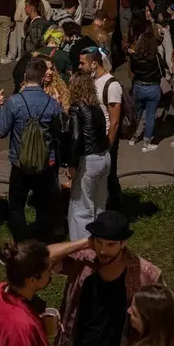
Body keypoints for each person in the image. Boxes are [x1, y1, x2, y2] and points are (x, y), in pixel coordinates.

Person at [56, 211, 162, 346]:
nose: (103, 250)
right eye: (99, 242)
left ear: (123, 243)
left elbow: (162, 321)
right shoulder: (85, 263)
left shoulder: (145, 274)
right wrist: (83, 244)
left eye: (111, 244)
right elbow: (42, 258)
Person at [0, 57, 64, 242]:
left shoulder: (14, 102)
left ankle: (22, 241)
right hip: (45, 163)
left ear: (25, 76)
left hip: (20, 162)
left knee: (16, 205)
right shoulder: (52, 103)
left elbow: (1, 131)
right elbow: (57, 133)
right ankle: (42, 240)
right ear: (42, 78)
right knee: (42, 204)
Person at [62, 70, 112, 241]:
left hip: (88, 160)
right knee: (99, 206)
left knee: (81, 208)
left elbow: (76, 137)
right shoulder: (97, 107)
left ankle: (82, 251)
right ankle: (100, 243)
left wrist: (71, 164)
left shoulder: (77, 107)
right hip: (104, 157)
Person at [79, 46, 125, 211]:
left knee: (110, 176)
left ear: (94, 64)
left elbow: (115, 121)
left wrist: (109, 145)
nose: (79, 66)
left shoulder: (111, 85)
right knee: (103, 177)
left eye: (82, 63)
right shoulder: (93, 80)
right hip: (96, 139)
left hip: (106, 139)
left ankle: (116, 211)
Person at [127, 18, 162, 151]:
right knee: (150, 116)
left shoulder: (135, 57)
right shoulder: (156, 58)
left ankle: (134, 137)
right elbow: (162, 71)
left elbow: (133, 70)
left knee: (137, 113)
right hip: (153, 87)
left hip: (139, 87)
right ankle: (146, 143)